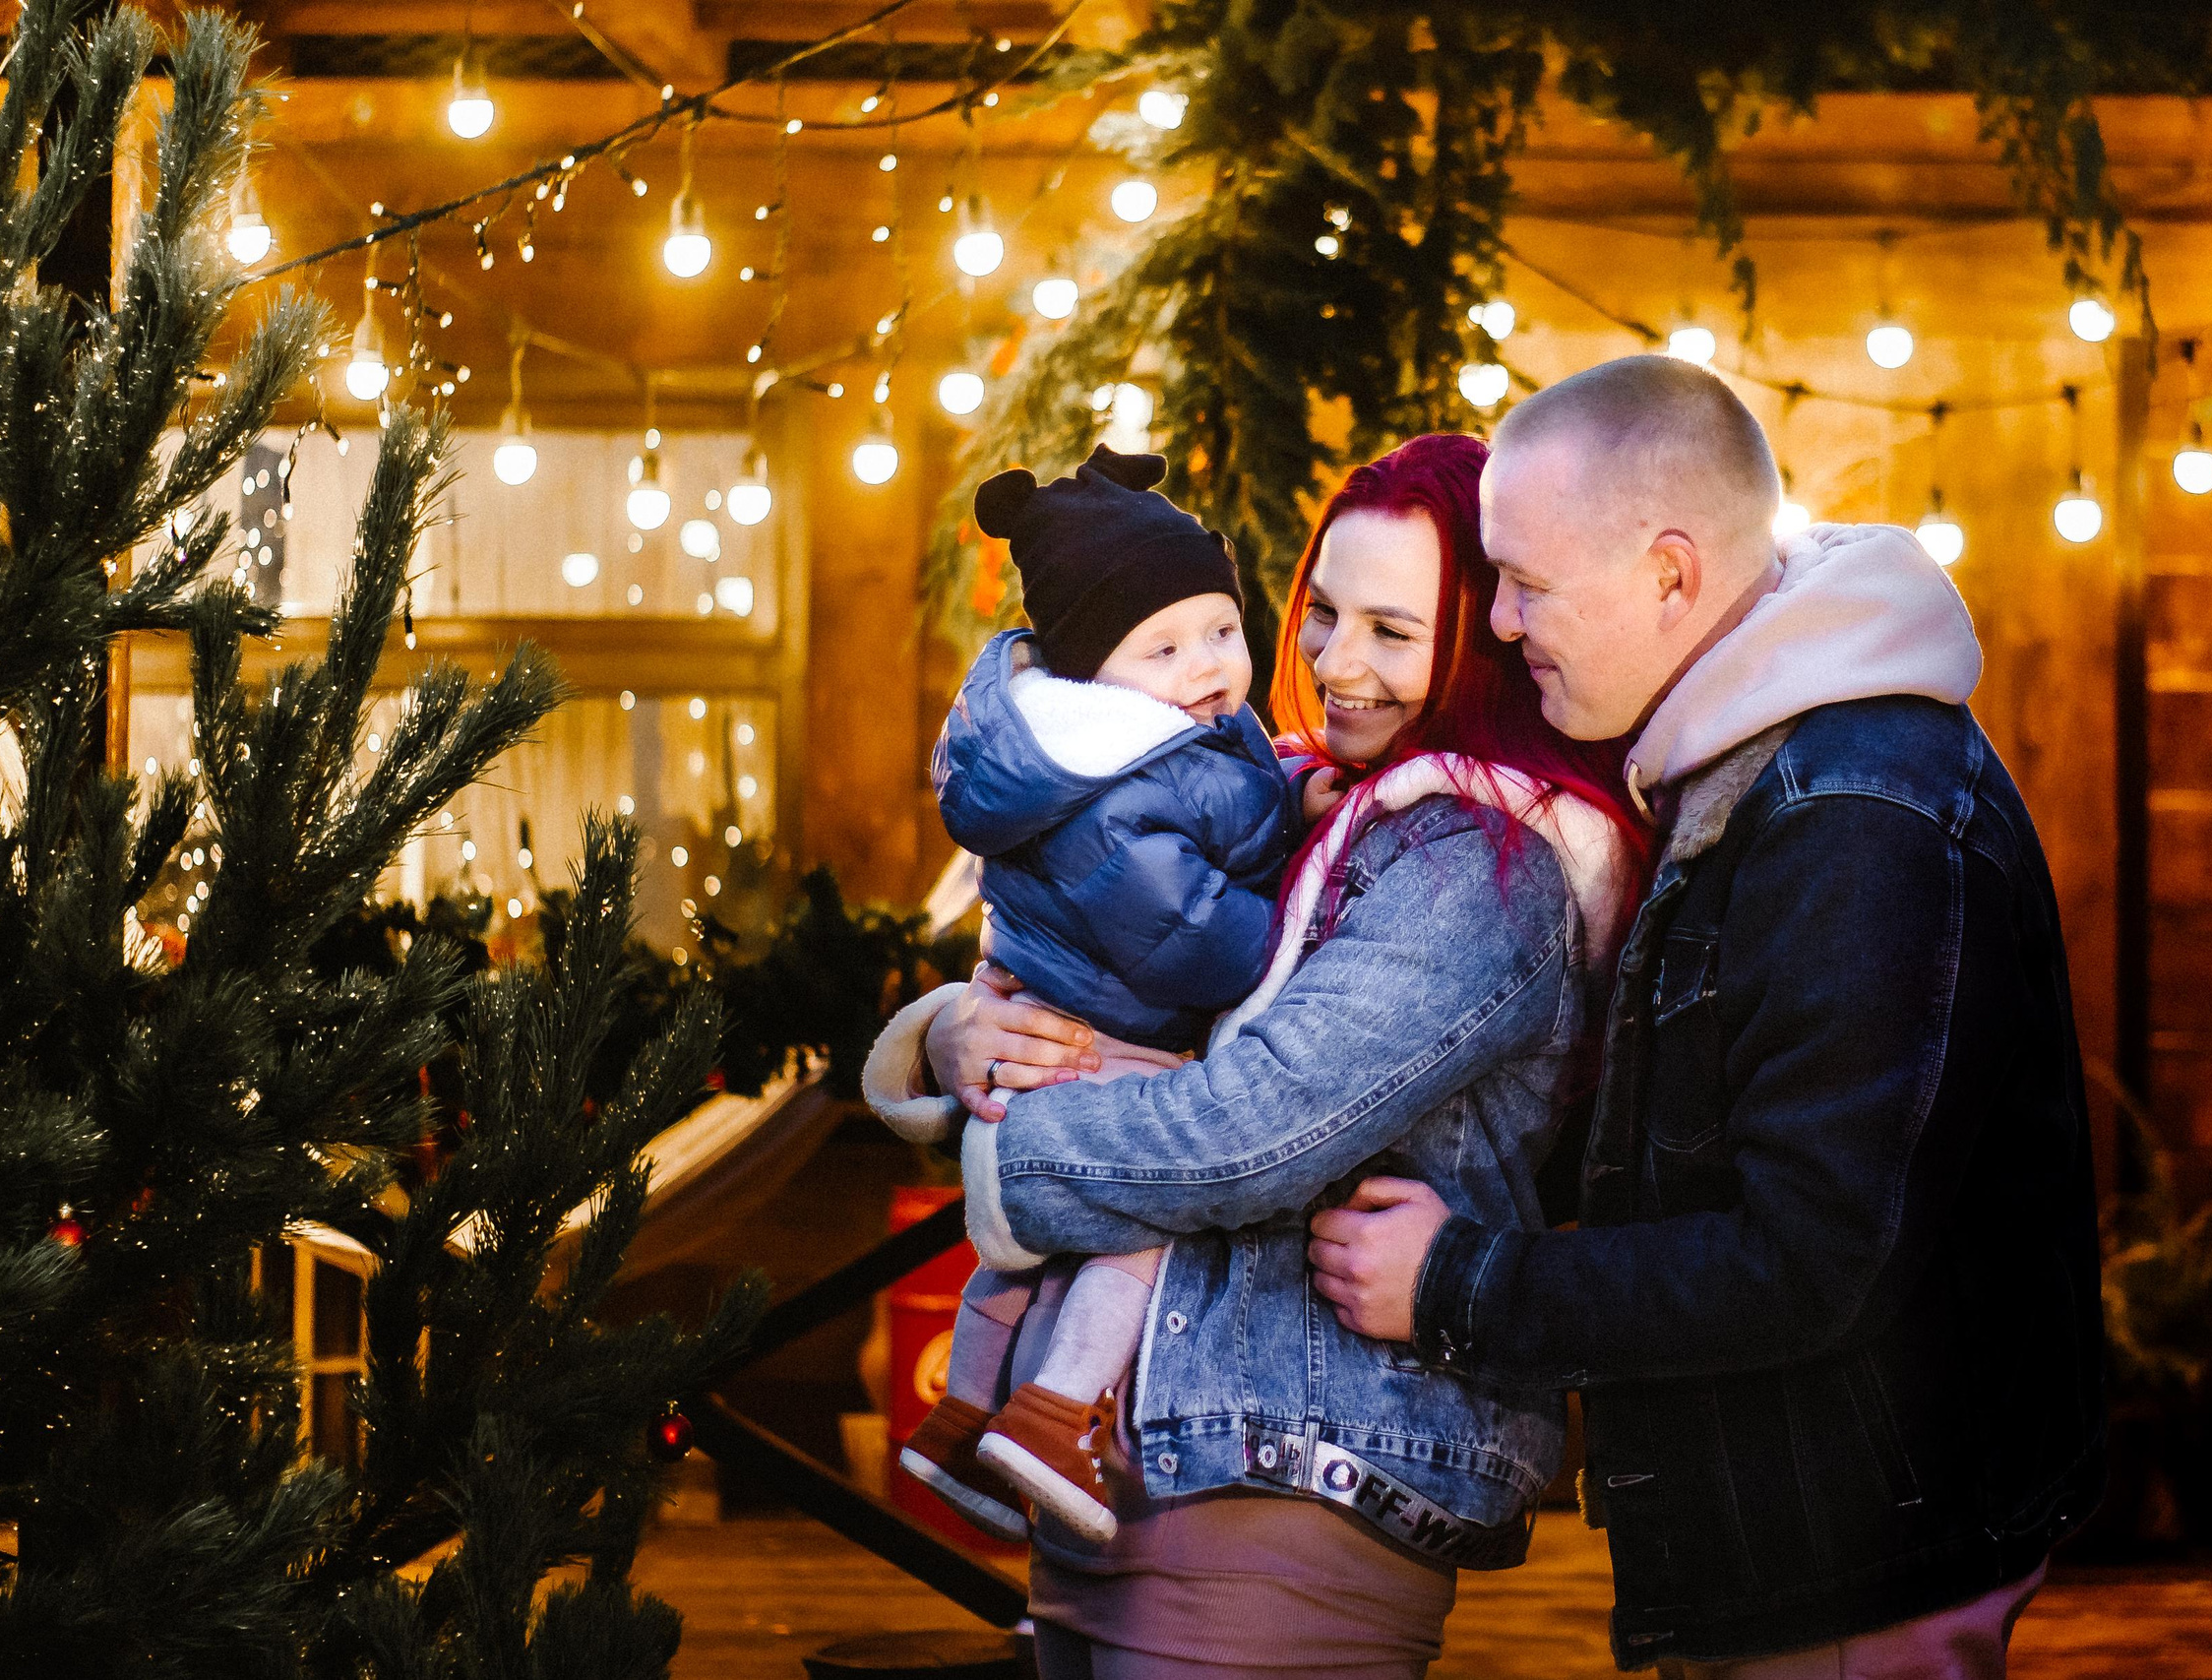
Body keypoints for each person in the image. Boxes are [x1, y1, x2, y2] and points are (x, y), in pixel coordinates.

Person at [1305, 355, 2104, 1679]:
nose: (1499, 624)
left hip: (1853, 1564)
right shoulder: (1747, 768)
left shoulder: (1852, 815)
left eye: (1528, 583)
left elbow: (1809, 1259)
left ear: (1672, 573)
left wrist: (1461, 1282)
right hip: (1804, 1542)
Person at [866, 432, 1651, 1679]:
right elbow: (1105, 967)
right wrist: (957, 1031)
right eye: (1324, 613)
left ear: (1488, 642)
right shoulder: (1299, 801)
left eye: (1395, 632)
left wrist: (1008, 1153)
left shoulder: (1474, 867)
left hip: (1290, 1478)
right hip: (1139, 1463)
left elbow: (1249, 1133)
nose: (1337, 664)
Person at [890, 446, 1294, 1547]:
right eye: (1160, 646)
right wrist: (1300, 929)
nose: (1206, 663)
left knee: (1020, 1264)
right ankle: (1057, 1411)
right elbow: (1195, 947)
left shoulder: (1137, 746)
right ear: (1089, 671)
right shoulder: (1114, 787)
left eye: (1221, 630)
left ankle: (963, 1413)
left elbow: (1236, 805)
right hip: (1111, 1042)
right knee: (1136, 1232)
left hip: (1065, 1037)